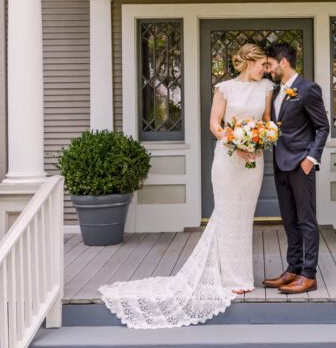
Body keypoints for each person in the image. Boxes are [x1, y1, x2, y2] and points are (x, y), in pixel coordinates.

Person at [99, 43, 273, 328]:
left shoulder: (267, 88)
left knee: (244, 217)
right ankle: (230, 278)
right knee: (228, 214)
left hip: (254, 159)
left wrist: (261, 140)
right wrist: (236, 143)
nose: (266, 69)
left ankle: (241, 275)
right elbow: (215, 125)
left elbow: (266, 121)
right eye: (262, 64)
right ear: (248, 62)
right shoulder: (225, 88)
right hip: (229, 158)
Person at [263, 42, 330, 295]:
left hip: (301, 164)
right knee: (290, 220)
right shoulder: (278, 91)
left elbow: (323, 127)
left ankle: (309, 275)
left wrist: (310, 159)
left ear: (283, 62)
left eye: (270, 65)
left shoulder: (308, 89)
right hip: (280, 164)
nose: (268, 70)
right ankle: (293, 269)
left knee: (306, 220)